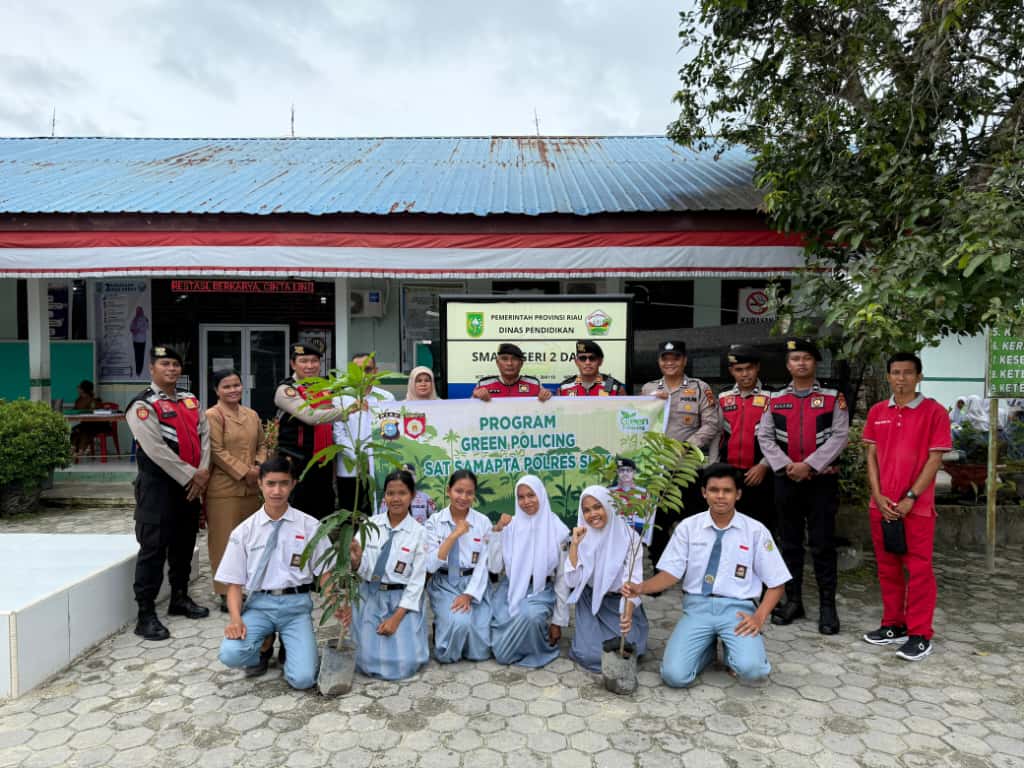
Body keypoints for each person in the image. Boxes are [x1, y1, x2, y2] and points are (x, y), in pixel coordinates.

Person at [622, 464, 790, 687]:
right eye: (714, 490)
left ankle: (733, 652)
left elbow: (777, 583)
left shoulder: (756, 531)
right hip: (697, 608)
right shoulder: (688, 528)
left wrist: (759, 617)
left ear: (738, 494)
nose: (720, 496)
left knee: (753, 671)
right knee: (674, 676)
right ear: (704, 493)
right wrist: (640, 587)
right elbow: (670, 575)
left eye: (727, 491)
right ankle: (707, 651)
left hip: (737, 611)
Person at [861, 352, 952, 661]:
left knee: (919, 571)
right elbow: (871, 456)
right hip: (881, 506)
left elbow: (934, 459)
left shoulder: (934, 412)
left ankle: (920, 634)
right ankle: (893, 625)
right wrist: (878, 494)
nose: (901, 378)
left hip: (917, 509)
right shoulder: (877, 412)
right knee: (888, 569)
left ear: (919, 376)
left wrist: (911, 498)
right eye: (896, 373)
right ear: (888, 376)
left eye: (908, 373)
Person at [757, 338, 849, 634]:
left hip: (821, 482)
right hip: (786, 481)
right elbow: (766, 437)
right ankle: (794, 601)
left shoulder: (834, 398)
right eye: (795, 359)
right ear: (788, 365)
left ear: (815, 363)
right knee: (789, 544)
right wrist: (786, 466)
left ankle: (827, 608)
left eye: (806, 358)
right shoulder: (775, 399)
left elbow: (839, 436)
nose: (801, 363)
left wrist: (810, 465)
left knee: (822, 544)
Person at [216, 456, 332, 688]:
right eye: (270, 483)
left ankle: (291, 647)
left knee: (303, 679)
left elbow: (326, 573)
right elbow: (234, 585)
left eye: (283, 483)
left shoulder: (310, 526)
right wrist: (236, 620)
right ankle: (264, 644)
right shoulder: (244, 531)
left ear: (293, 484)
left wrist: (336, 604)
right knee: (230, 654)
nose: (277, 491)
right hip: (260, 606)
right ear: (259, 483)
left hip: (296, 607)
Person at [125, 345, 211, 641]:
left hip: (190, 488)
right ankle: (145, 614)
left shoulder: (190, 401)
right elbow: (156, 450)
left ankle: (179, 597)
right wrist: (193, 475)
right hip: (158, 489)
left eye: (175, 364)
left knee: (184, 545)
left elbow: (206, 437)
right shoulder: (142, 405)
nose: (172, 369)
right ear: (152, 368)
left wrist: (203, 472)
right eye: (165, 364)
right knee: (153, 550)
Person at [641, 340, 721, 568]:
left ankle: (695, 569)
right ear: (659, 362)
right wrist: (650, 403)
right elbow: (637, 422)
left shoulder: (699, 388)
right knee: (657, 522)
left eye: (675, 358)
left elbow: (711, 424)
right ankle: (660, 569)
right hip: (658, 470)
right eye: (665, 359)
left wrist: (687, 445)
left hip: (688, 468)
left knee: (694, 522)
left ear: (684, 360)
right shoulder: (649, 389)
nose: (670, 363)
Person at [345, 469, 430, 680]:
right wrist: (355, 561)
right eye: (390, 493)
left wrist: (396, 618)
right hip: (371, 596)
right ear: (384, 496)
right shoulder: (370, 525)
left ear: (412, 496)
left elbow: (417, 582)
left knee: (405, 663)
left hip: (402, 601)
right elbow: (362, 570)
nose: (396, 499)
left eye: (402, 493)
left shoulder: (419, 533)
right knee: (365, 661)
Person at [488, 475, 570, 668]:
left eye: (531, 495)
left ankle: (536, 649)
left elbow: (562, 579)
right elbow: (494, 567)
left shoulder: (557, 530)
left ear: (541, 494)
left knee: (529, 615)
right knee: (499, 647)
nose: (526, 502)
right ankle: (516, 645)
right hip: (511, 587)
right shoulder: (511, 526)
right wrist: (498, 531)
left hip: (540, 589)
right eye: (521, 497)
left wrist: (558, 622)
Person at [565, 486, 648, 673]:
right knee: (589, 655)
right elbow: (571, 581)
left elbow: (633, 581)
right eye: (586, 510)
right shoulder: (581, 537)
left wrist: (626, 614)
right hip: (590, 600)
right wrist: (575, 546)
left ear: (609, 506)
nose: (593, 514)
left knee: (631, 650)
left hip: (620, 601)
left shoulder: (630, 537)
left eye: (597, 507)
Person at [206, 369, 267, 613]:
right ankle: (225, 592)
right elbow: (216, 451)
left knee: (250, 541)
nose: (233, 390)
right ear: (216, 390)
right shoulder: (213, 415)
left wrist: (260, 466)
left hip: (252, 489)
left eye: (236, 385)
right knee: (223, 541)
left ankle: (249, 586)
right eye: (226, 386)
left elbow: (262, 444)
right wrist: (245, 471)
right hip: (224, 489)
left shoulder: (251, 414)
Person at [423, 470, 494, 663]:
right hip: (445, 583)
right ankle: (444, 633)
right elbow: (430, 565)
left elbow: (484, 564)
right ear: (448, 491)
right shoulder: (434, 522)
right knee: (459, 623)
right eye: (458, 491)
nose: (463, 497)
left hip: (474, 583)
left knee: (480, 651)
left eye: (469, 493)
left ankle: (449, 625)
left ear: (474, 495)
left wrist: (469, 594)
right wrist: (454, 534)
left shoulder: (482, 522)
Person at [275, 342, 349, 520]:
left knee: (324, 514)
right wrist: (346, 412)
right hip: (297, 464)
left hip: (322, 464)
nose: (310, 366)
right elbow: (311, 416)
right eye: (304, 361)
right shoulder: (286, 390)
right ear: (293, 364)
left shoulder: (324, 388)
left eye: (314, 361)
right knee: (298, 515)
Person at [718, 345, 775, 532]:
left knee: (762, 528)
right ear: (731, 371)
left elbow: (781, 437)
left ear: (757, 367)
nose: (744, 374)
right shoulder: (723, 397)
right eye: (739, 370)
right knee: (730, 527)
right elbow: (716, 435)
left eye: (749, 368)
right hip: (730, 475)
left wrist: (764, 465)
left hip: (762, 474)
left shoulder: (773, 396)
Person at [334, 353, 396, 515]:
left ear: (375, 371)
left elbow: (392, 432)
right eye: (357, 370)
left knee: (376, 514)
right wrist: (361, 458)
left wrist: (372, 459)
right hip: (349, 469)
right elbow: (338, 435)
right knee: (349, 516)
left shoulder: (386, 397)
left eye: (367, 369)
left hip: (378, 467)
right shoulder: (341, 398)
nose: (363, 374)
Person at [473, 343, 553, 401]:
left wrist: (547, 396)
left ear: (521, 363)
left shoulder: (534, 384)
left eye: (514, 359)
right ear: (497, 363)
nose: (509, 363)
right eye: (504, 359)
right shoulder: (483, 385)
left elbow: (550, 411)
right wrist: (475, 397)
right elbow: (469, 413)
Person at [557, 340, 626, 397]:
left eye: (592, 358)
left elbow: (625, 411)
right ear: (576, 362)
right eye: (582, 358)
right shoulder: (564, 387)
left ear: (600, 361)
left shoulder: (614, 387)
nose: (587, 362)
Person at [609, 458, 652, 546]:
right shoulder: (609, 492)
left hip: (636, 538)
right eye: (622, 470)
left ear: (634, 472)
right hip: (614, 537)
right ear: (617, 472)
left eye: (628, 470)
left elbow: (647, 519)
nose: (625, 473)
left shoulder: (643, 493)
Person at [69, 379, 102, 455]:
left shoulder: (93, 400)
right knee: (75, 430)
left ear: (83, 390)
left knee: (84, 430)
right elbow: (75, 410)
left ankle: (81, 449)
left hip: (95, 425)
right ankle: (74, 447)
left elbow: (95, 412)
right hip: (84, 424)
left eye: (79, 387)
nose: (77, 389)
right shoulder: (78, 400)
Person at [130, 307, 149, 377]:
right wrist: (133, 330)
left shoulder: (145, 319)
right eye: (137, 311)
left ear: (142, 311)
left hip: (142, 341)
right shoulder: (134, 319)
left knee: (141, 357)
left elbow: (146, 328)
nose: (138, 312)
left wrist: (137, 330)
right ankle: (137, 371)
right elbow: (131, 328)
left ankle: (140, 371)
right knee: (136, 356)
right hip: (135, 340)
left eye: (139, 311)